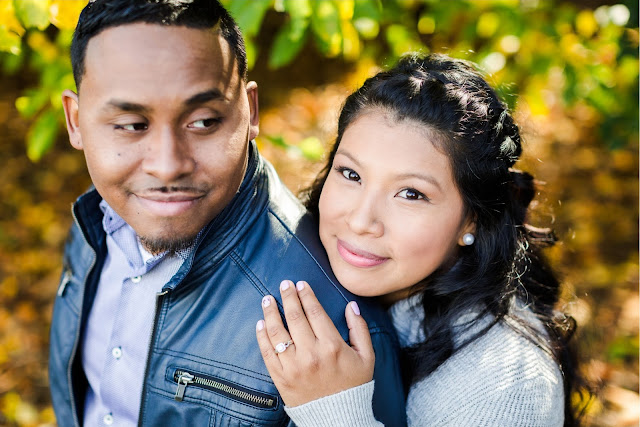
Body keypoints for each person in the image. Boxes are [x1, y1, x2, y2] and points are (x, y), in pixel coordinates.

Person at [49, 1, 406, 426]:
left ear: (249, 111)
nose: (167, 165)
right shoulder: (97, 217)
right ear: (76, 121)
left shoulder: (338, 325)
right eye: (130, 124)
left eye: (202, 121)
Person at [256, 53, 583, 426]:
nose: (362, 221)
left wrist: (335, 412)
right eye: (350, 174)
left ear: (471, 220)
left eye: (411, 194)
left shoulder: (508, 384)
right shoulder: (290, 259)